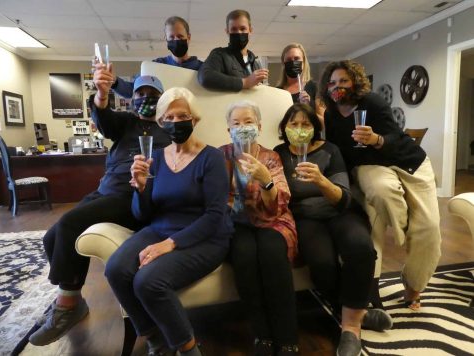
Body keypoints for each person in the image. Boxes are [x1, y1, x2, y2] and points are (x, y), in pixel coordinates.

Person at [29, 70, 171, 346]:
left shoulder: (168, 128)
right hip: (103, 191)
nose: (145, 99)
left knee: (71, 223)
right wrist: (103, 94)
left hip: (131, 196)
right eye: (140, 94)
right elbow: (103, 119)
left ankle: (66, 304)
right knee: (52, 236)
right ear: (132, 100)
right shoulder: (125, 123)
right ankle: (74, 298)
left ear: (162, 100)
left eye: (152, 96)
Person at [105, 87, 233, 356]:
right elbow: (143, 215)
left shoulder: (211, 158)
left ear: (194, 119)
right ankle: (156, 341)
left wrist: (170, 244)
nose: (176, 123)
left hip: (206, 237)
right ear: (161, 122)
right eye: (169, 118)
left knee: (147, 281)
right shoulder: (158, 159)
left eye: (182, 116)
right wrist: (140, 189)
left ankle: (187, 348)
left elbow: (215, 215)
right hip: (160, 228)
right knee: (115, 269)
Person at [320, 60, 442, 312]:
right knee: (383, 195)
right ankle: (408, 232)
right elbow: (336, 151)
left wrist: (376, 139)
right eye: (332, 82)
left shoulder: (372, 103)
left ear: (355, 81)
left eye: (343, 81)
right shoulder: (331, 115)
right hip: (371, 167)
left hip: (409, 163)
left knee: (428, 229)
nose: (337, 86)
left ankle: (413, 285)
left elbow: (398, 136)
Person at [275, 103, 392, 356]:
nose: (299, 129)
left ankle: (350, 329)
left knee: (360, 248)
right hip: (305, 218)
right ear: (284, 128)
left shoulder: (330, 150)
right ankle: (359, 311)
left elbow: (344, 199)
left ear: (315, 128)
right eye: (293, 124)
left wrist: (321, 180)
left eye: (305, 124)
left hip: (340, 212)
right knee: (322, 263)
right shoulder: (279, 153)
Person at [220, 100, 299, 355]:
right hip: (237, 223)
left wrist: (265, 180)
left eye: (249, 122)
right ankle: (262, 334)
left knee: (272, 253)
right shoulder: (220, 155)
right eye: (236, 123)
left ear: (259, 126)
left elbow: (280, 202)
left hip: (272, 220)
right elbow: (214, 199)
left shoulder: (270, 157)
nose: (243, 128)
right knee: (244, 255)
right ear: (228, 129)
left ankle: (287, 337)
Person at [111, 16, 203, 98]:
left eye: (180, 36)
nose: (176, 40)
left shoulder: (203, 68)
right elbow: (132, 89)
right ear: (166, 40)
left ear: (189, 37)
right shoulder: (155, 66)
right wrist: (114, 81)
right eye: (171, 37)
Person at [198, 9, 269, 92]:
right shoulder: (219, 55)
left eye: (243, 29)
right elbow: (205, 77)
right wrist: (245, 82)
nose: (238, 32)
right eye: (234, 29)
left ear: (250, 31)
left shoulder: (255, 63)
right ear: (227, 32)